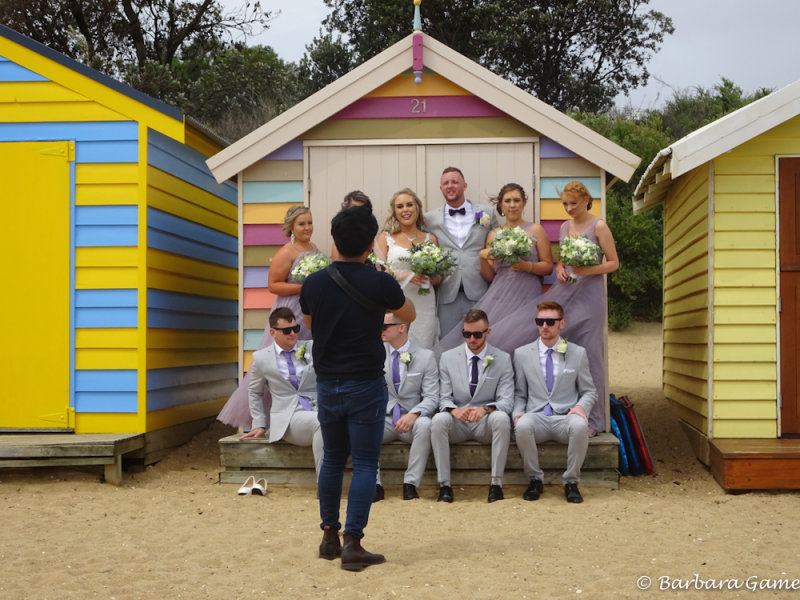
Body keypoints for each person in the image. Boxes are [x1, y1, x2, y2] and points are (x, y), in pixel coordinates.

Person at [300, 205, 416, 572]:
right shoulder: (379, 281)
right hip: (365, 381)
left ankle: (328, 535)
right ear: (370, 243)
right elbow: (408, 314)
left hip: (328, 381)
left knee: (333, 459)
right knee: (365, 462)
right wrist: (385, 280)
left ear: (334, 240)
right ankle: (354, 541)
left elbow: (309, 321)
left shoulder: (314, 282)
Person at [488, 180, 618, 435]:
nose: (569, 208)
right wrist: (560, 269)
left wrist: (587, 270)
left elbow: (613, 263)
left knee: (590, 353)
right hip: (567, 292)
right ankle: (559, 409)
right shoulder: (564, 226)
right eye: (565, 204)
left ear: (586, 201)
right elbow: (560, 261)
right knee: (562, 352)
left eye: (573, 203)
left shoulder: (599, 226)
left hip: (590, 296)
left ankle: (593, 421)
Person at [217, 205, 323, 429]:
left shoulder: (314, 249)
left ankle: (301, 411)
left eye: (310, 222)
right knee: (281, 362)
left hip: (312, 310)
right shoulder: (287, 252)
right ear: (292, 227)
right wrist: (304, 287)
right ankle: (258, 419)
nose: (307, 228)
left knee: (304, 359)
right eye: (301, 224)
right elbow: (273, 285)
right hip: (292, 311)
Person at [436, 183, 553, 352]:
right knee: (497, 340)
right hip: (501, 294)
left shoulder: (535, 230)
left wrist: (526, 266)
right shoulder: (494, 234)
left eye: (516, 200)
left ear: (524, 203)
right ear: (500, 205)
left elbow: (548, 267)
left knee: (526, 340)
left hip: (528, 293)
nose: (512, 205)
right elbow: (489, 276)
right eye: (507, 201)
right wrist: (482, 257)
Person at [512, 302, 597, 503]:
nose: (545, 326)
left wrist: (580, 407)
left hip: (565, 417)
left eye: (550, 321)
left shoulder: (577, 353)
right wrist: (517, 413)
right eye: (540, 321)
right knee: (522, 425)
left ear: (562, 323)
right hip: (537, 416)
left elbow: (589, 391)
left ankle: (571, 481)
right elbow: (520, 393)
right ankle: (534, 480)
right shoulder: (522, 354)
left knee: (580, 424)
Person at [430, 309, 514, 503]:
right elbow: (442, 397)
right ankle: (444, 485)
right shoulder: (448, 358)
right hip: (457, 421)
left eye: (477, 334)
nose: (472, 339)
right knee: (438, 419)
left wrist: (485, 409)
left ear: (488, 332)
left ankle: (496, 483)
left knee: (501, 418)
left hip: (485, 422)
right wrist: (454, 410)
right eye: (467, 334)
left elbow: (506, 401)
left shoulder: (502, 359)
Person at [239, 307, 323, 479]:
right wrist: (259, 423)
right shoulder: (262, 358)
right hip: (288, 418)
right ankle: (325, 483)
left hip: (318, 408)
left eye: (296, 329)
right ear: (273, 332)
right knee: (324, 422)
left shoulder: (311, 348)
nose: (293, 333)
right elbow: (255, 392)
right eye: (286, 331)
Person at [424, 167, 499, 338]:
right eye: (446, 183)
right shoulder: (429, 219)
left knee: (479, 339)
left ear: (464, 186)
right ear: (441, 188)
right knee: (447, 340)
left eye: (454, 182)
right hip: (447, 290)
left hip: (479, 288)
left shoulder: (486, 213)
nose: (450, 186)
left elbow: (496, 245)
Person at [374, 312, 439, 502]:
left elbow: (432, 396)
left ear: (402, 328)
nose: (380, 330)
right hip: (384, 418)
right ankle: (374, 484)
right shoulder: (374, 353)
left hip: (411, 419)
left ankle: (410, 484)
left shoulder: (426, 357)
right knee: (364, 424)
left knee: (425, 424)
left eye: (385, 327)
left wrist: (414, 414)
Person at [374, 188, 441, 348]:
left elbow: (439, 277)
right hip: (396, 299)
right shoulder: (385, 238)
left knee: (423, 345)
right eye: (400, 206)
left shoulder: (430, 239)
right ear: (394, 212)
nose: (405, 210)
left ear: (417, 208)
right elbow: (377, 272)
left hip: (424, 302)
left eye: (409, 205)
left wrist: (431, 277)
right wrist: (407, 275)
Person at [332, 190, 373, 261]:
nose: (357, 214)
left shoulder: (372, 236)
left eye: (362, 211)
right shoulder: (341, 242)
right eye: (353, 210)